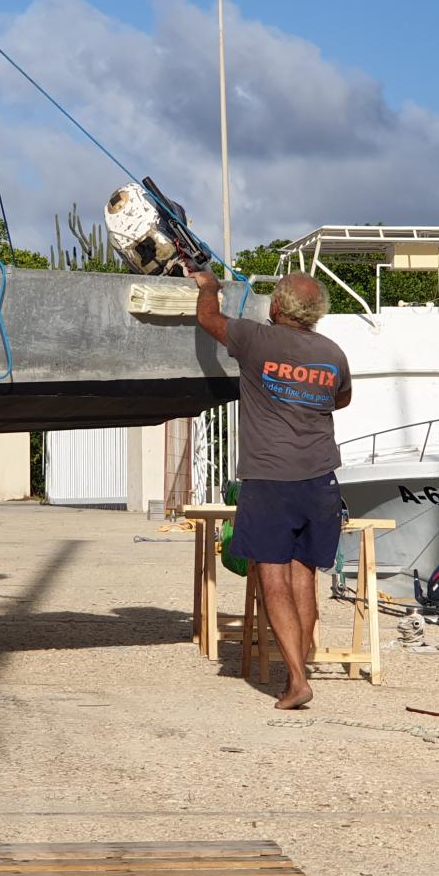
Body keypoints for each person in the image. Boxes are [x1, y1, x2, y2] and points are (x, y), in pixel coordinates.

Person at [189, 266, 351, 709]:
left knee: (272, 574)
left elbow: (209, 321)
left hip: (270, 478)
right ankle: (299, 670)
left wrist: (209, 288)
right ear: (316, 313)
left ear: (276, 306)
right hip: (321, 479)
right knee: (304, 577)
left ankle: (297, 680)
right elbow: (341, 398)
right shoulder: (333, 353)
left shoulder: (257, 339)